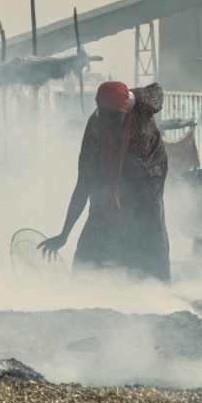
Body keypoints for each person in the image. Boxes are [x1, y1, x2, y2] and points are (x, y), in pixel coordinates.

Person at [40, 81, 170, 281]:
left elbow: (158, 92)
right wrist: (64, 234)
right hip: (110, 180)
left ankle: (159, 292)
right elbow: (83, 183)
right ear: (99, 109)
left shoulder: (141, 106)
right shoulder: (95, 128)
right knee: (97, 229)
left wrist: (131, 96)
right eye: (105, 117)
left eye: (116, 118)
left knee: (149, 231)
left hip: (149, 176)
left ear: (126, 109)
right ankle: (83, 286)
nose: (109, 124)